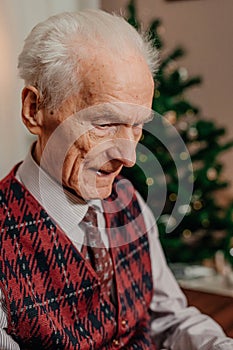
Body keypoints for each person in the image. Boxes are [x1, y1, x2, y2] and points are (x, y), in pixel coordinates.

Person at [0, 9, 232, 350]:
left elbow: (169, 319)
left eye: (137, 125)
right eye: (105, 122)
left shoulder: (130, 202)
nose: (129, 157)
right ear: (35, 109)